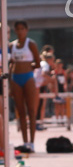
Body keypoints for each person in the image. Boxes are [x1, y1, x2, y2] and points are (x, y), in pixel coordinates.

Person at [10, 20, 41, 153]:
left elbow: (38, 63)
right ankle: (25, 141)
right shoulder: (12, 46)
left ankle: (32, 142)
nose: (20, 31)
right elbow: (10, 63)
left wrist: (28, 66)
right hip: (15, 79)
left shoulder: (31, 44)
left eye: (22, 28)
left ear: (26, 30)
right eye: (18, 29)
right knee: (20, 112)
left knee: (32, 111)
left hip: (28, 77)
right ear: (15, 31)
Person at [0, 23, 11, 156]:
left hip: (4, 82)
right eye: (5, 32)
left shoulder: (8, 47)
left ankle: (3, 147)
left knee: (3, 117)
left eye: (8, 32)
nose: (7, 35)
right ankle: (2, 148)